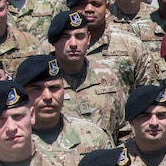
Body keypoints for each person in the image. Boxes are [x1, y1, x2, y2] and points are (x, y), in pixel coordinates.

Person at [48, 9, 127, 137]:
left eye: (79, 36)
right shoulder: (41, 82)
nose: (73, 44)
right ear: (53, 41)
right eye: (65, 37)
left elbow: (125, 128)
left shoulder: (107, 78)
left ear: (88, 38)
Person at [17, 53, 112, 153]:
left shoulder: (93, 136)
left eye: (54, 88)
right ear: (22, 93)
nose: (48, 96)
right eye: (36, 89)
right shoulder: (10, 141)